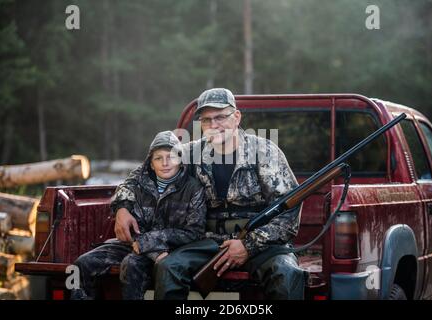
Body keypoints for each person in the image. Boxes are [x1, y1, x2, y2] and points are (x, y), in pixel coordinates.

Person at [114, 88, 306, 300]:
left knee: (286, 275)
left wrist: (248, 246)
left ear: (236, 117)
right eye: (206, 120)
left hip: (261, 242)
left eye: (220, 117)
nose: (214, 125)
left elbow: (289, 210)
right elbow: (140, 175)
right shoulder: (190, 152)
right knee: (169, 268)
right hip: (208, 241)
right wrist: (122, 207)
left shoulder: (265, 152)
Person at [71, 131, 206, 300]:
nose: (165, 163)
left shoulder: (193, 188)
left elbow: (195, 232)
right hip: (134, 243)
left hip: (171, 250)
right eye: (158, 158)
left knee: (132, 264)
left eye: (170, 157)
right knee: (81, 264)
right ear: (151, 163)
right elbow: (131, 224)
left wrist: (151, 243)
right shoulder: (138, 184)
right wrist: (149, 248)